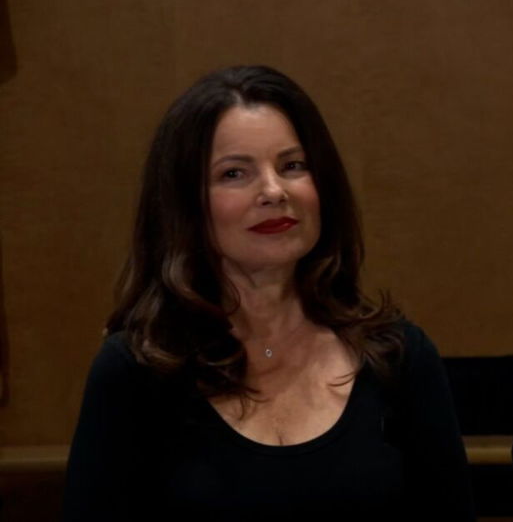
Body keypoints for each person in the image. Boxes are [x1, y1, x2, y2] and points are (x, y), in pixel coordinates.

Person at [64, 66, 473, 519]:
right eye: (235, 173)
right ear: (185, 203)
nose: (274, 191)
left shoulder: (398, 356)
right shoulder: (137, 371)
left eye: (293, 165)